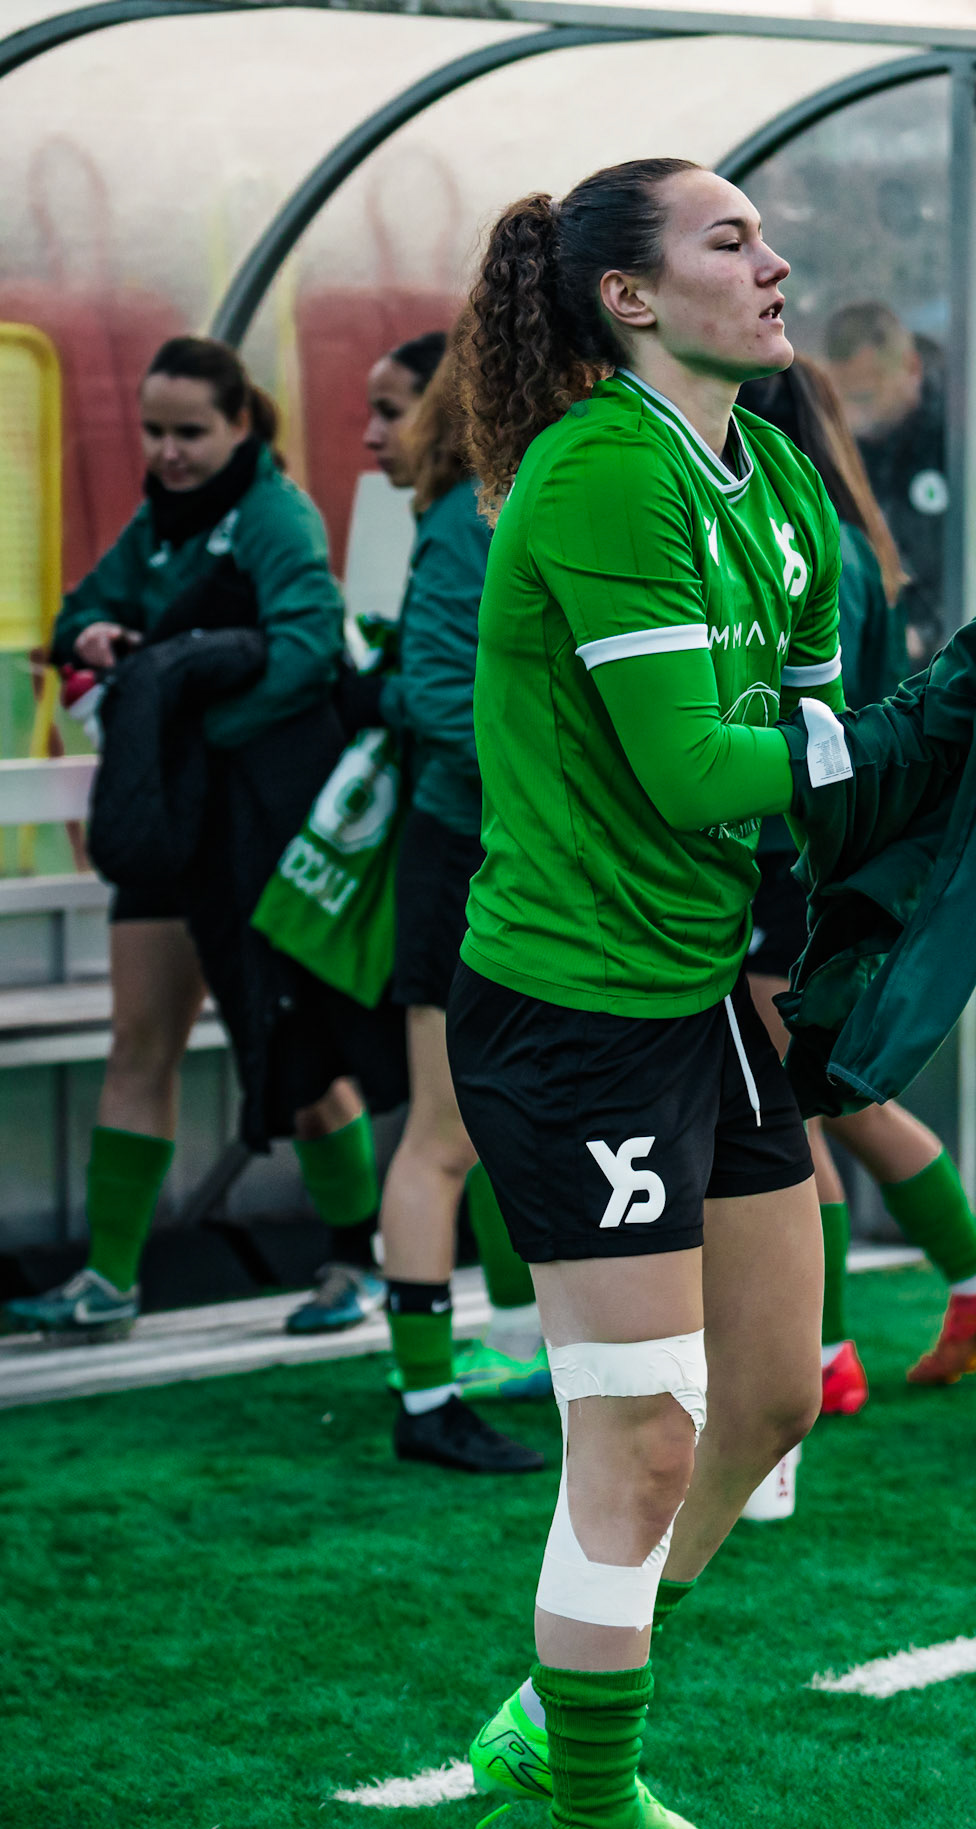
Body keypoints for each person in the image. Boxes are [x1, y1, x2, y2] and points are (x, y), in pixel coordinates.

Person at [411, 156, 868, 1829]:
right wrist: (900, 743)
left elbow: (807, 774)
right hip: (572, 1011)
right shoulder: (604, 467)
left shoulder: (773, 481)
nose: (775, 262)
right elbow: (703, 765)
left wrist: (835, 877)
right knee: (643, 1432)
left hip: (701, 1000)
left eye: (767, 234)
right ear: (627, 296)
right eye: (729, 240)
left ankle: (554, 1707)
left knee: (771, 1397)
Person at [7, 338, 386, 1344]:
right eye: (152, 431)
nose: (167, 453)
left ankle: (359, 1256)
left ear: (241, 428)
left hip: (251, 831)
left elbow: (307, 651)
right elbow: (79, 609)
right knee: (139, 1041)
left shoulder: (271, 515)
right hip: (166, 829)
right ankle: (108, 1280)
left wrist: (183, 719)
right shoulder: (160, 524)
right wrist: (92, 636)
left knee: (291, 1050)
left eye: (189, 433)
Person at [739, 356, 976, 1403]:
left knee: (790, 1110)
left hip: (786, 849)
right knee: (833, 1094)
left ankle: (822, 1356)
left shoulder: (782, 534)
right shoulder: (852, 535)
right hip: (829, 845)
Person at [360, 328, 545, 1476]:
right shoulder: (460, 524)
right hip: (458, 857)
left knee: (485, 1131)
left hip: (504, 858)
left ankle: (504, 1359)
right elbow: (436, 693)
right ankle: (425, 1400)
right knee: (442, 1137)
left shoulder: (509, 505)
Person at [825, 300, 976, 655]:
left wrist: (940, 640)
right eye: (838, 401)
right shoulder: (827, 459)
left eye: (865, 397)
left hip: (959, 680)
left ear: (911, 367)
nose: (852, 415)